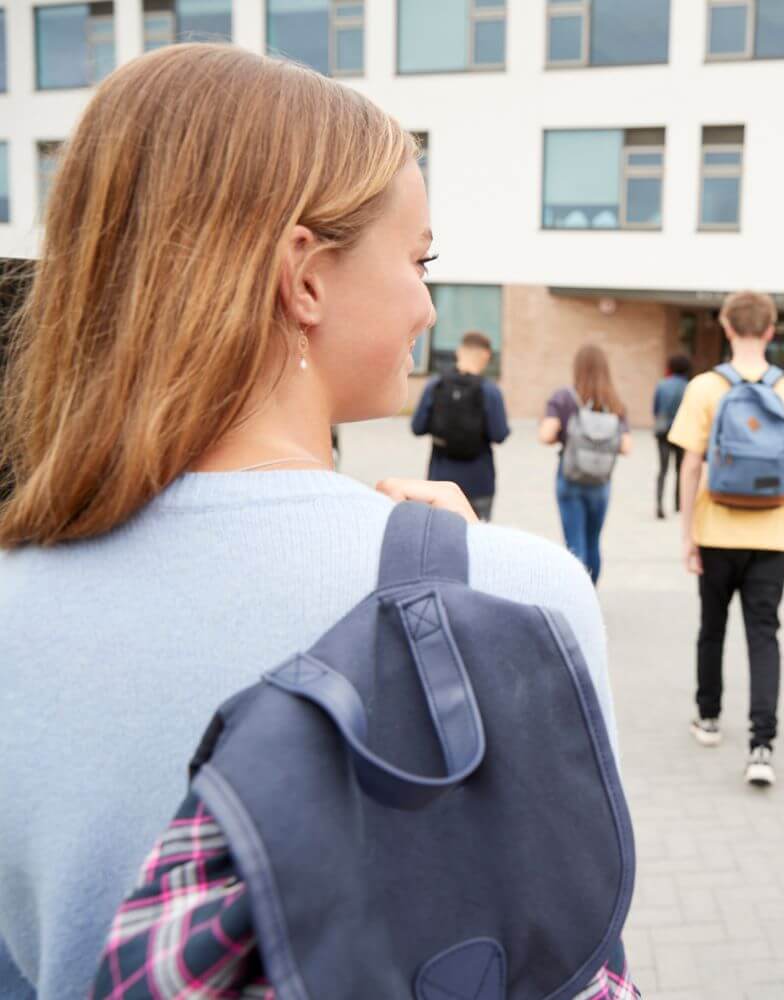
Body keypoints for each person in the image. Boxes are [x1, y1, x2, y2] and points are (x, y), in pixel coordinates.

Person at [0, 45, 625, 999]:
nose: (426, 299)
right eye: (420, 259)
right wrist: (466, 576)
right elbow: (575, 952)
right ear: (304, 277)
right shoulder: (519, 600)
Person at [669, 291, 784, 787]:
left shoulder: (705, 388)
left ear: (727, 328)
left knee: (712, 628)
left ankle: (708, 718)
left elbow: (690, 465)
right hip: (772, 534)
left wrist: (688, 534)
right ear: (770, 330)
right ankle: (761, 746)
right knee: (763, 636)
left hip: (715, 529)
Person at [540, 345, 631, 584]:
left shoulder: (563, 397)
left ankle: (576, 598)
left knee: (574, 543)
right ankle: (591, 594)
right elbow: (626, 447)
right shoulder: (613, 401)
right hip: (600, 481)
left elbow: (546, 435)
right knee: (593, 541)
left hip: (569, 476)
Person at [411, 330, 511, 521]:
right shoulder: (489, 390)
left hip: (440, 482)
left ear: (459, 351)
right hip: (479, 481)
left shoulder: (435, 384)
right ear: (486, 355)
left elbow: (417, 428)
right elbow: (499, 434)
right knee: (477, 541)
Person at [653, 354, 692, 519]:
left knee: (663, 469)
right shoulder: (689, 387)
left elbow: (655, 409)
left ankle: (659, 505)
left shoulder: (662, 385)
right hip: (682, 431)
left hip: (662, 430)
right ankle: (678, 504)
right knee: (680, 469)